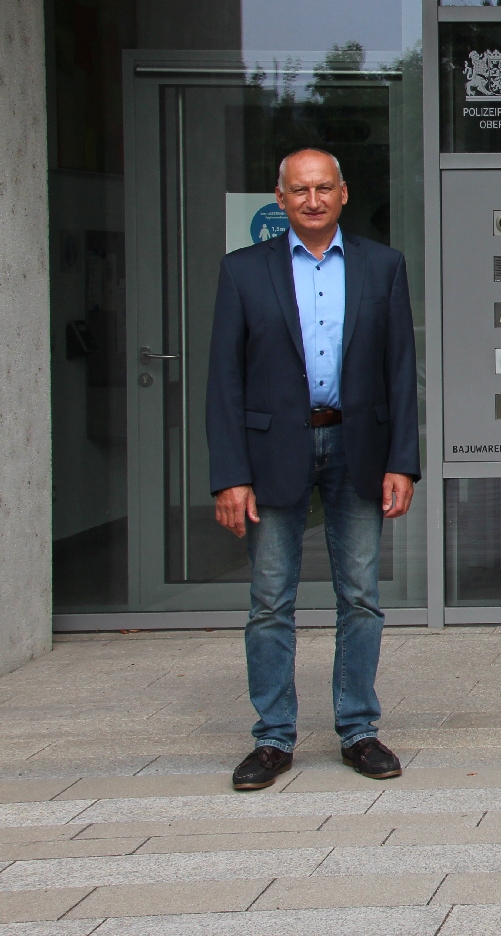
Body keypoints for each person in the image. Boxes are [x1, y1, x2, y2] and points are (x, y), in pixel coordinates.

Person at [206, 148, 420, 790]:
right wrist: (229, 474)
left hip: (357, 448)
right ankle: (272, 739)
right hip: (273, 453)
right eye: (299, 190)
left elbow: (402, 371)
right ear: (280, 199)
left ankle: (358, 730)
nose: (313, 200)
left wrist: (401, 462)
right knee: (271, 600)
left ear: (344, 193)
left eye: (324, 188)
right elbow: (224, 381)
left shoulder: (383, 266)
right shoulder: (243, 272)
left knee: (361, 597)